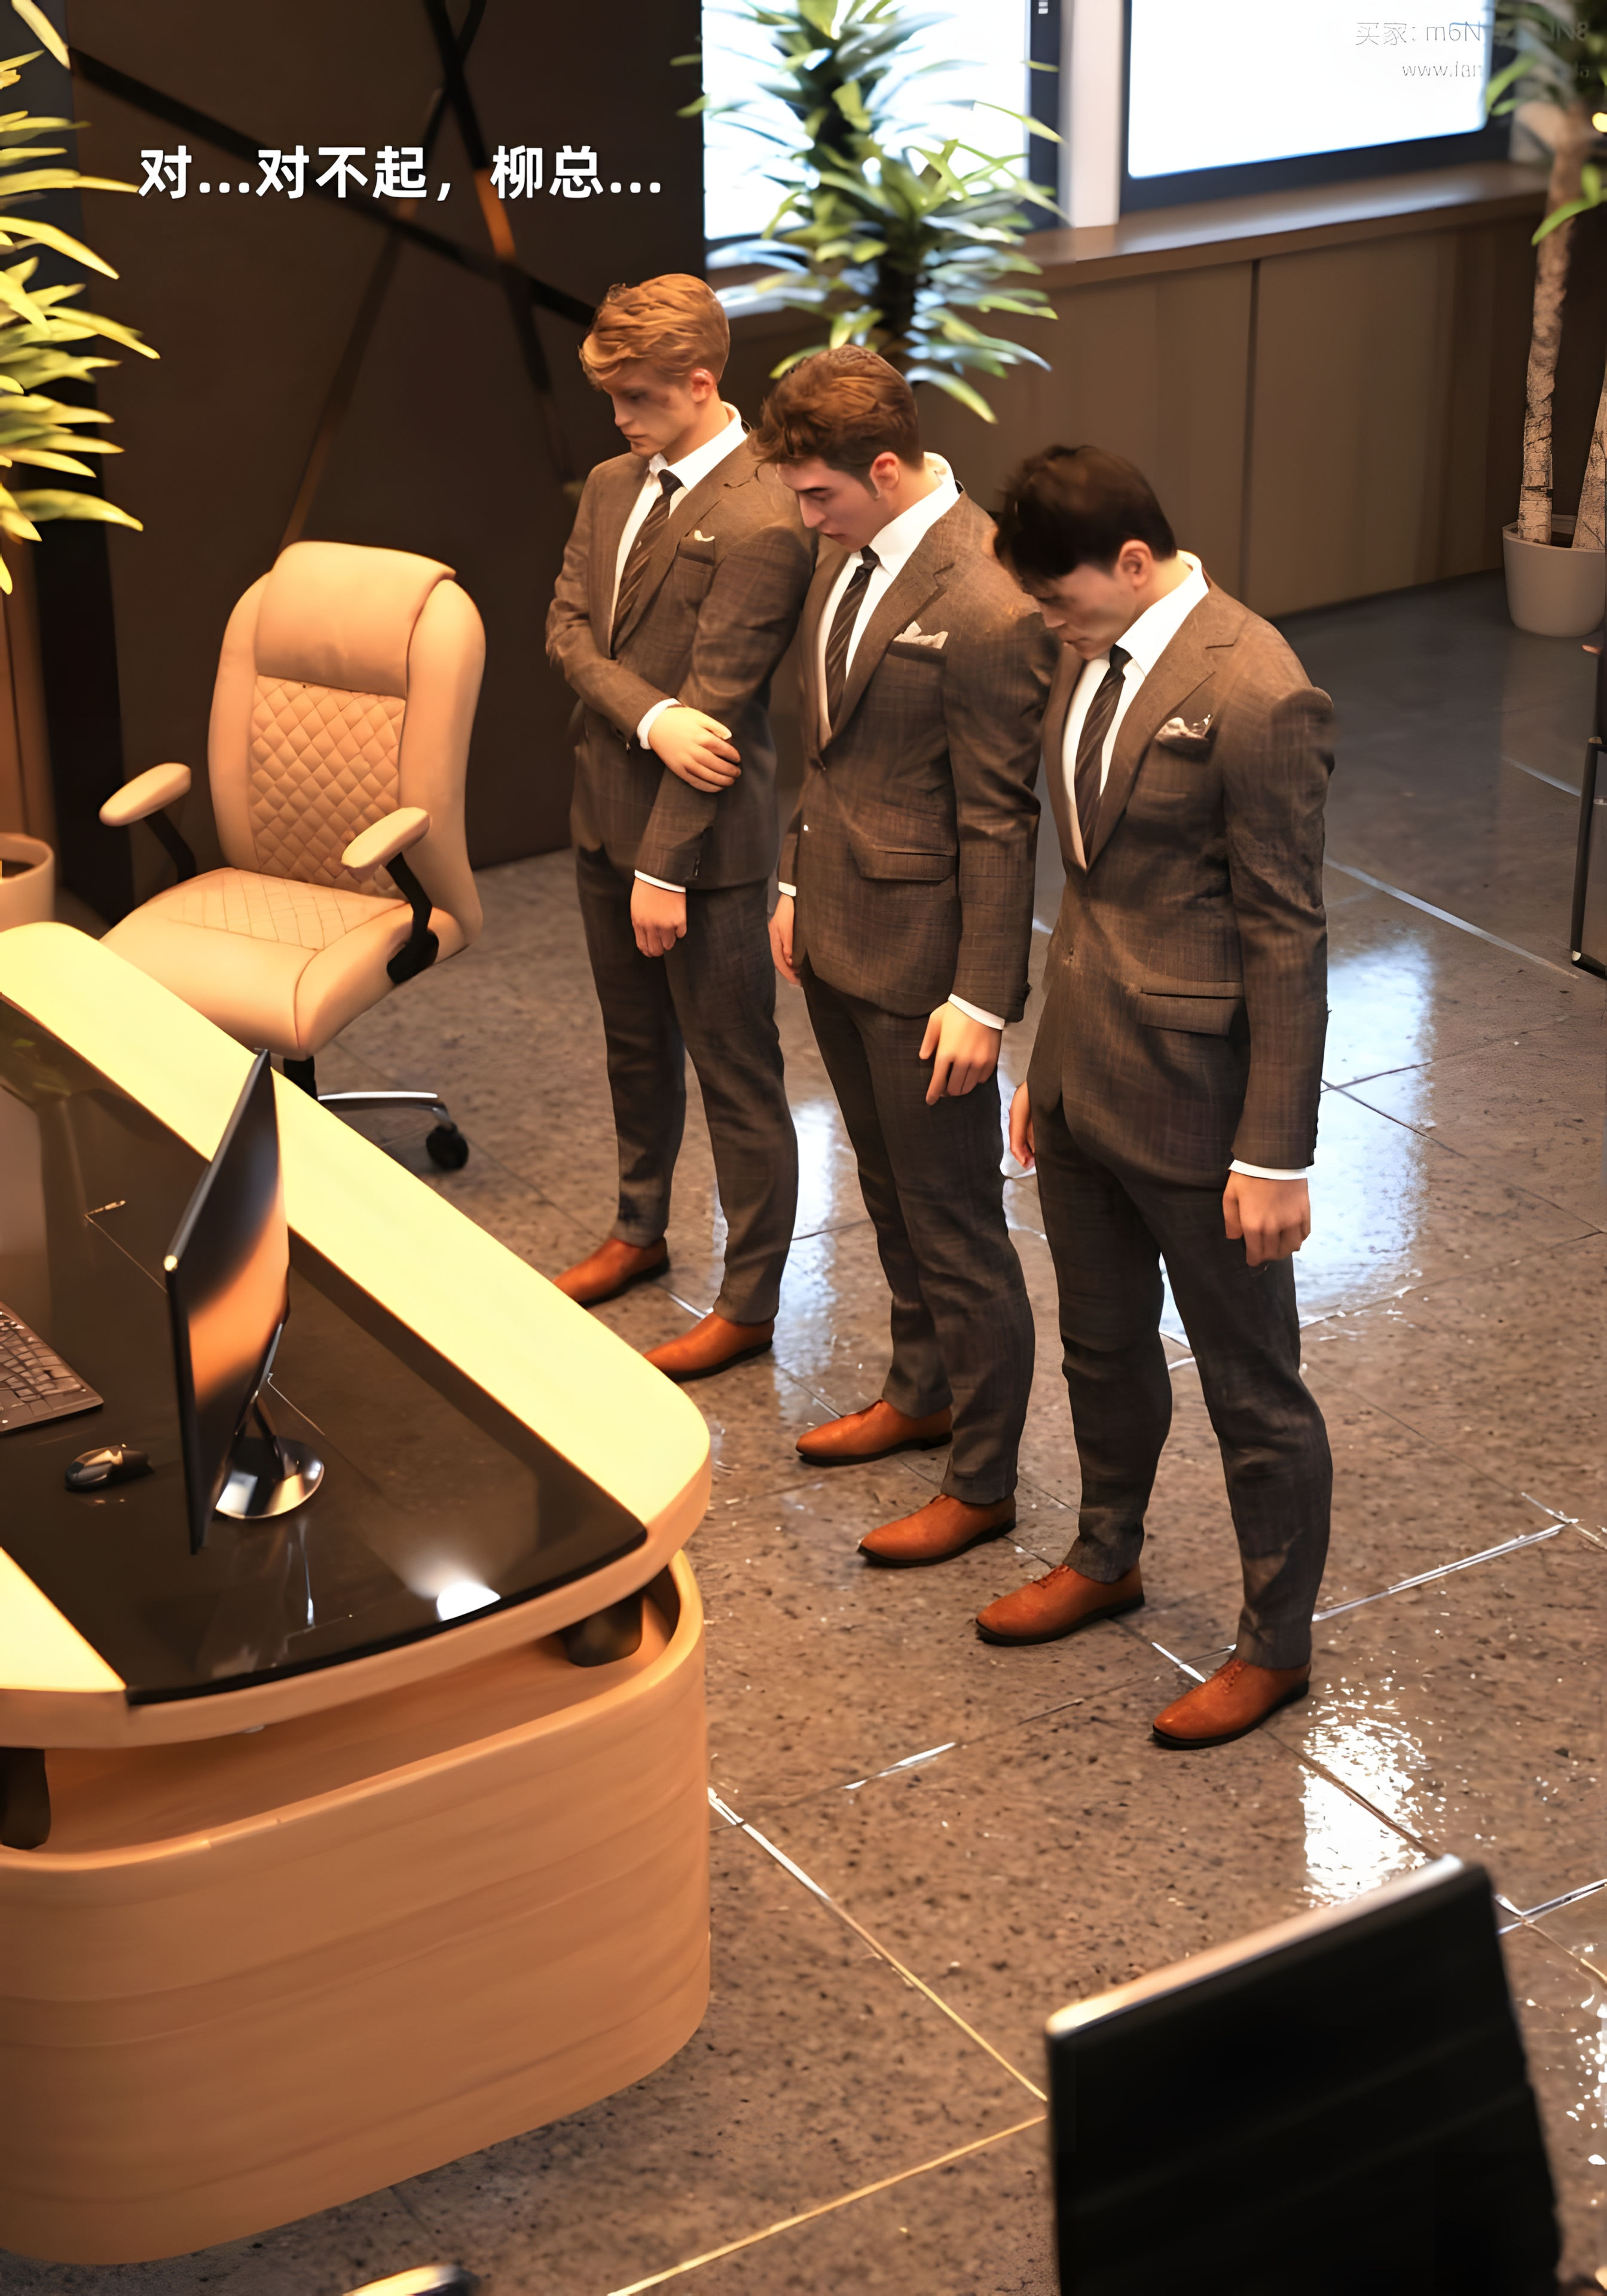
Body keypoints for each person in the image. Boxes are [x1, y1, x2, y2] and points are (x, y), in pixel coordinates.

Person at [978, 444, 1334, 1749]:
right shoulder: (1089, 647)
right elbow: (1094, 886)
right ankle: (1105, 1554)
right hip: (1087, 1073)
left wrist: (1276, 1151)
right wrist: (1048, 1062)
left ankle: (1275, 1646)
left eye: (1060, 595)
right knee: (1102, 1342)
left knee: (1253, 1388)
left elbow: (1288, 933)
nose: (1048, 621)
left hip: (1200, 1101)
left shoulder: (1259, 692)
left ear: (1133, 562)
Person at [754, 346, 1055, 1565]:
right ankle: (921, 1392)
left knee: (955, 1222)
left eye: (818, 493)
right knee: (886, 1192)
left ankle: (982, 1483)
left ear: (886, 469)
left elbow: (1001, 819)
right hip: (835, 924)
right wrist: (793, 878)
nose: (804, 517)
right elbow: (827, 744)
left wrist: (982, 999)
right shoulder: (850, 549)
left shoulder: (988, 602)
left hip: (927, 964)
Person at [546, 274, 812, 1381]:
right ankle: (638, 1228)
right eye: (611, 397)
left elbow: (725, 704)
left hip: (703, 854)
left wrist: (666, 871)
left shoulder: (763, 516)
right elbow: (566, 630)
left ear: (702, 384)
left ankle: (749, 1302)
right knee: (634, 1046)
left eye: (640, 398)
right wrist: (652, 719)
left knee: (736, 1072)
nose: (619, 419)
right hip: (602, 818)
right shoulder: (615, 484)